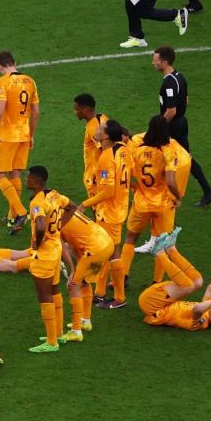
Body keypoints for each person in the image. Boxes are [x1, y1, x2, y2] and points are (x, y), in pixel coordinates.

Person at [104, 116, 184, 307]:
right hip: (163, 204)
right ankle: (157, 282)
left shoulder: (137, 150)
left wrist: (136, 187)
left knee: (131, 238)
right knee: (162, 243)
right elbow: (171, 181)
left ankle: (122, 276)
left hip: (141, 203)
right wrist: (178, 197)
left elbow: (126, 173)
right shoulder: (169, 151)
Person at [0, 51, 39, 234]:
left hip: (8, 135)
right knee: (15, 173)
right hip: (24, 135)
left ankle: (22, 212)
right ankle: (11, 218)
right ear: (15, 62)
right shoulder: (30, 81)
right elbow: (36, 112)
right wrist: (31, 134)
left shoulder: (3, 81)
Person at [152, 46, 211, 206]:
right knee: (169, 157)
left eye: (155, 60)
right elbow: (186, 100)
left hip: (173, 126)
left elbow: (171, 110)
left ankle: (207, 191)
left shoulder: (169, 83)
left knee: (182, 158)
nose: (153, 63)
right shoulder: (180, 76)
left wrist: (159, 126)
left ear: (164, 62)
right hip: (180, 123)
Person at [80, 120, 132, 303]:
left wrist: (85, 204)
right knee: (110, 251)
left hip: (109, 212)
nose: (97, 130)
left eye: (101, 129)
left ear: (107, 136)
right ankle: (99, 292)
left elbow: (108, 191)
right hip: (120, 208)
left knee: (107, 252)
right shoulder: (124, 150)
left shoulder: (105, 157)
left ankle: (118, 297)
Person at [58, 200, 114, 342]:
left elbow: (63, 249)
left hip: (94, 249)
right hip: (106, 242)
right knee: (83, 281)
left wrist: (72, 270)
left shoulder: (54, 222)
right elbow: (73, 245)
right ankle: (86, 321)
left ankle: (76, 331)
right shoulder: (68, 211)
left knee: (72, 285)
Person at [25, 166, 67, 353]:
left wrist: (37, 243)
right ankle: (57, 333)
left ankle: (51, 342)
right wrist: (58, 229)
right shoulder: (54, 194)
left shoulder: (37, 202)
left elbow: (40, 226)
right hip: (56, 249)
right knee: (55, 289)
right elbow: (72, 206)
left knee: (44, 295)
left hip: (45, 255)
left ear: (36, 180)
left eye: (29, 177)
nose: (27, 180)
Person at [138, 228, 210, 331]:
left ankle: (159, 253)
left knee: (187, 286)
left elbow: (197, 309)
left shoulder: (202, 322)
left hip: (153, 307)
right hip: (163, 299)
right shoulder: (208, 308)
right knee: (198, 282)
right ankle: (171, 249)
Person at [73, 93, 108, 199]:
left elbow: (105, 149)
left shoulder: (93, 127)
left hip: (95, 176)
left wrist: (103, 175)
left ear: (85, 109)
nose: (75, 112)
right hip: (102, 174)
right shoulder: (102, 117)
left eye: (76, 109)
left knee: (98, 211)